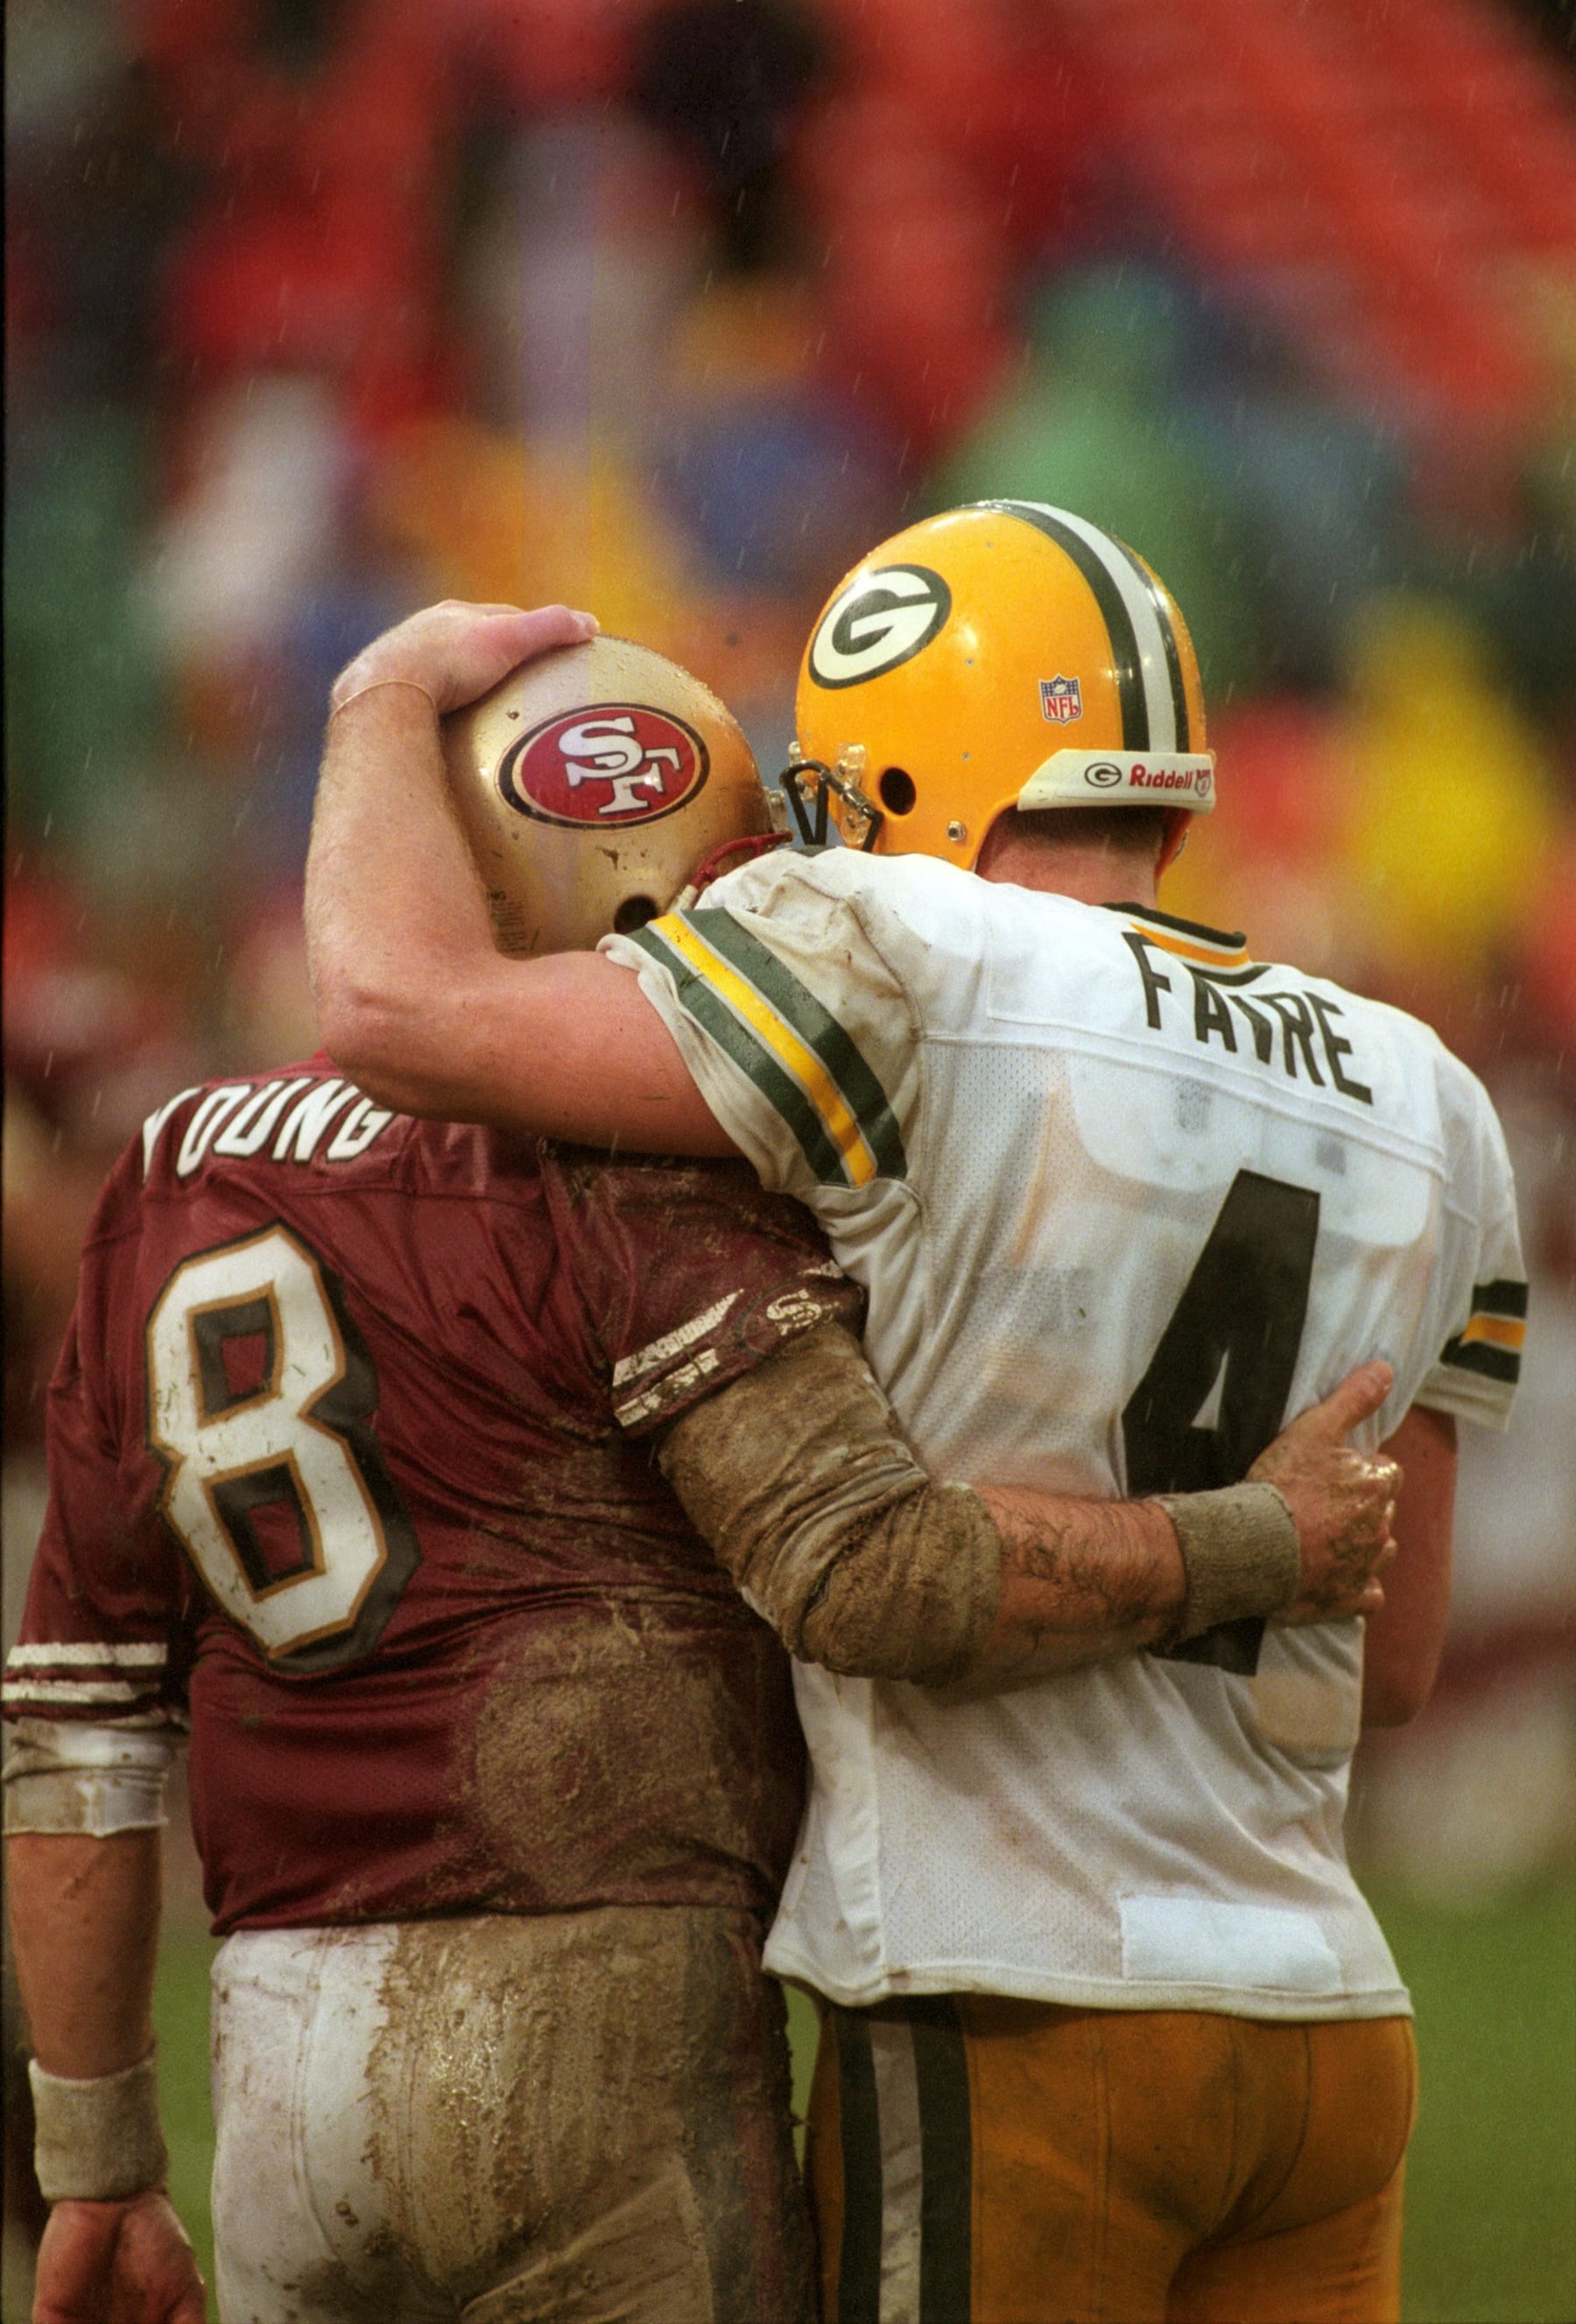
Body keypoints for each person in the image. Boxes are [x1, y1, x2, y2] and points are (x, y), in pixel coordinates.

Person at [4, 614, 1400, 2324]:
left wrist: (96, 2157)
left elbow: (76, 1725)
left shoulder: (172, 1170)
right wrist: (1251, 1539)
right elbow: (870, 1570)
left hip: (276, 2058)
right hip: (607, 2006)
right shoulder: (641, 1161)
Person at [302, 505, 1525, 2324]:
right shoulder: (1432, 1091)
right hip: (1325, 2022)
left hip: (1010, 1987)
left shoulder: (897, 945)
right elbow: (1398, 1657)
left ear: (892, 766)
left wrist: (383, 694)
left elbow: (392, 1004)